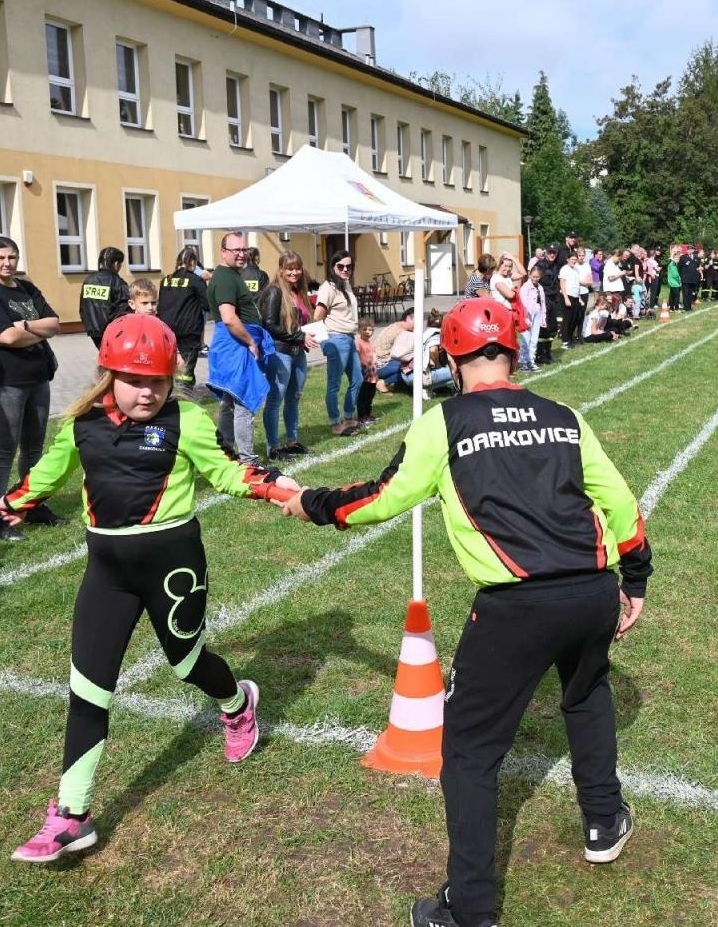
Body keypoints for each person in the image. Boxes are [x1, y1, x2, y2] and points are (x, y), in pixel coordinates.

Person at [276, 298, 653, 927]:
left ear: (452, 359)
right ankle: (603, 820)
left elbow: (384, 496)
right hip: (592, 591)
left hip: (516, 606)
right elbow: (619, 501)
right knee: (587, 694)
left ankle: (470, 907)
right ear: (512, 351)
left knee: (471, 751)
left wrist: (311, 502)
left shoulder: (445, 421)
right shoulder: (564, 417)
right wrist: (634, 577)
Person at [0, 313, 294, 863]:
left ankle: (237, 703)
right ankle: (72, 815)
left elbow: (226, 472)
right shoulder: (81, 426)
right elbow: (50, 471)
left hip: (173, 569)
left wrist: (276, 487)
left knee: (187, 664)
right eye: (135, 381)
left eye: (157, 381)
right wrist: (17, 500)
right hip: (107, 575)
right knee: (89, 689)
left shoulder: (187, 420)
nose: (147, 393)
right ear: (109, 375)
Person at [0, 236, 64, 542]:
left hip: (37, 378)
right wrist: (27, 330)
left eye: (11, 257)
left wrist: (23, 326)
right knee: (3, 451)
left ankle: (31, 505)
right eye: (0, 258)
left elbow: (54, 324)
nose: (7, 263)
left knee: (34, 448)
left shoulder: (27, 288)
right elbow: (5, 338)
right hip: (2, 382)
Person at [207, 233, 272, 465]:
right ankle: (247, 459)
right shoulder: (225, 278)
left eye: (244, 249)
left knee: (229, 400)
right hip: (235, 345)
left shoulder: (230, 274)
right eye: (236, 250)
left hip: (233, 345)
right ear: (223, 252)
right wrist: (251, 342)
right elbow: (228, 317)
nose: (241, 254)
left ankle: (226, 450)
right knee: (243, 400)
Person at [257, 250, 317, 460]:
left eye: (297, 268)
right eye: (289, 269)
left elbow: (299, 322)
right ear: (281, 269)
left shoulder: (298, 291)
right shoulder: (274, 291)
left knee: (294, 398)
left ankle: (292, 441)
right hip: (280, 352)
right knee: (275, 400)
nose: (294, 272)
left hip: (298, 352)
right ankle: (273, 447)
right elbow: (269, 324)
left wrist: (310, 335)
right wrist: (300, 336)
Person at [314, 248, 363, 437]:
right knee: (334, 384)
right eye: (340, 266)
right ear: (333, 267)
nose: (345, 270)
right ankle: (335, 423)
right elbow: (317, 316)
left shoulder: (345, 284)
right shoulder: (328, 288)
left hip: (349, 338)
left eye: (349, 266)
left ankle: (349, 416)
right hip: (336, 339)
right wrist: (324, 343)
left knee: (357, 379)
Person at [158, 247, 210, 394]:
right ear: (192, 262)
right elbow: (207, 305)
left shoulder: (166, 280)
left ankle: (170, 393)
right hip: (189, 332)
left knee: (170, 366)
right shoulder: (195, 280)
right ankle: (184, 395)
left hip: (167, 332)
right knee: (186, 371)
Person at [79, 247, 129, 347]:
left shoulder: (89, 280)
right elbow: (124, 309)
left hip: (93, 331)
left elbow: (82, 308)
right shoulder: (118, 282)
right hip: (113, 332)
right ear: (116, 264)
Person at [517, 263, 546, 372]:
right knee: (526, 339)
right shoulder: (526, 287)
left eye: (537, 277)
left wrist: (543, 318)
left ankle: (531, 361)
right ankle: (523, 362)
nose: (535, 279)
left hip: (537, 313)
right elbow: (523, 303)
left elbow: (542, 303)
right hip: (527, 315)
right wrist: (526, 317)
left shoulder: (540, 288)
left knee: (534, 339)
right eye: (533, 276)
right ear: (530, 275)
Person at [535, 245, 561, 364]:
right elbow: (535, 282)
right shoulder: (540, 265)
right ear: (546, 253)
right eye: (550, 252)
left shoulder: (556, 266)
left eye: (554, 253)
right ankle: (539, 354)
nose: (552, 255)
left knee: (553, 327)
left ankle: (548, 352)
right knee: (543, 328)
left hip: (553, 299)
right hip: (543, 300)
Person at [354, 319, 380, 425]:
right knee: (362, 396)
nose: (368, 332)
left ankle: (368, 413)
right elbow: (356, 356)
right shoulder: (358, 343)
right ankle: (362, 416)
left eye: (370, 330)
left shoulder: (371, 343)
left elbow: (374, 356)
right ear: (359, 330)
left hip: (372, 374)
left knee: (370, 395)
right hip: (363, 374)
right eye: (364, 329)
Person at [680, 246, 701, 311]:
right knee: (685, 294)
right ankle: (686, 307)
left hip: (693, 279)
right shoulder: (683, 257)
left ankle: (689, 307)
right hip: (686, 279)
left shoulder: (697, 258)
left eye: (691, 249)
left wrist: (700, 268)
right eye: (688, 249)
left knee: (690, 294)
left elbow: (697, 266)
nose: (689, 250)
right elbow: (680, 266)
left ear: (693, 250)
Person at [664, 247, 682, 312]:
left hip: (672, 282)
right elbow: (675, 275)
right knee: (676, 296)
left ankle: (671, 308)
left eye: (678, 258)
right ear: (673, 258)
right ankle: (676, 308)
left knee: (672, 295)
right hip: (675, 283)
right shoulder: (673, 264)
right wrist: (679, 280)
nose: (678, 260)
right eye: (677, 258)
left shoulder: (673, 264)